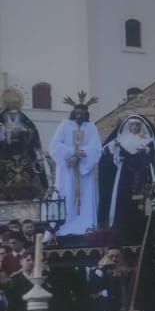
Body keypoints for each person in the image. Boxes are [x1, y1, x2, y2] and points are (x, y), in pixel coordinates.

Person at [99, 114, 155, 247]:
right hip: (125, 178)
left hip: (144, 175)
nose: (134, 127)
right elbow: (107, 152)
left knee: (146, 203)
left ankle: (149, 233)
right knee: (123, 203)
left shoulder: (148, 140)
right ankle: (123, 233)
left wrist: (147, 150)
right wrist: (116, 149)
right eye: (132, 125)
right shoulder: (121, 139)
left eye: (137, 125)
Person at [49, 96, 102, 237]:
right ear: (73, 113)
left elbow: (96, 148)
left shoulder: (91, 127)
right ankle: (63, 227)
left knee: (85, 198)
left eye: (82, 114)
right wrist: (71, 153)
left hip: (84, 171)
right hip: (67, 169)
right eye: (77, 113)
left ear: (86, 114)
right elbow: (55, 145)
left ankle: (86, 226)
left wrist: (79, 155)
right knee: (66, 193)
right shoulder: (64, 125)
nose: (79, 116)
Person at [0, 88, 48, 200]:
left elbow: (33, 135)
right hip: (5, 157)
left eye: (15, 103)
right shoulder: (2, 119)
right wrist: (5, 133)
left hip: (24, 157)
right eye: (10, 103)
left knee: (27, 190)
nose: (13, 105)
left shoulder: (25, 119)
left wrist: (24, 131)